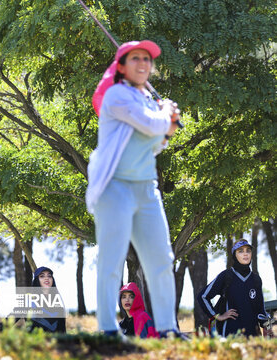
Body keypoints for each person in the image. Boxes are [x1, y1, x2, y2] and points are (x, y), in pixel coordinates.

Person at [85, 40, 181, 337]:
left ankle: (167, 328)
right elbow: (153, 125)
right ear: (122, 67)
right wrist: (166, 115)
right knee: (112, 260)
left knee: (162, 260)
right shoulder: (116, 95)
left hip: (146, 190)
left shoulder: (148, 102)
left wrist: (169, 124)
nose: (143, 63)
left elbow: (157, 141)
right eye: (135, 58)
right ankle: (107, 329)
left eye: (147, 59)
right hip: (115, 188)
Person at [197, 239, 272, 337]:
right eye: (240, 251)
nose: (245, 254)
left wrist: (267, 326)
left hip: (253, 337)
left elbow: (260, 310)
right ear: (234, 255)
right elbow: (203, 296)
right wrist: (217, 316)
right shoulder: (226, 276)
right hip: (230, 335)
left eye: (248, 251)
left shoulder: (256, 279)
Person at [29, 266, 66, 333]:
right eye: (42, 276)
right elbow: (8, 321)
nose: (46, 278)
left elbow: (63, 332)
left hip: (54, 342)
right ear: (37, 280)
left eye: (49, 276)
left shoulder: (59, 306)